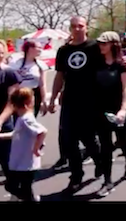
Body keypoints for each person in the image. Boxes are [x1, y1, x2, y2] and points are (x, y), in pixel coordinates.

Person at [48, 16, 103, 194]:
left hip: (91, 101)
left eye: (80, 26)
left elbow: (107, 67)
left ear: (86, 27)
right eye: (74, 26)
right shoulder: (64, 50)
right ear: (70, 29)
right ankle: (76, 177)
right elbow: (59, 75)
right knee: (69, 140)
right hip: (70, 101)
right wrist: (53, 98)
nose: (77, 29)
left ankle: (99, 161)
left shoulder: (95, 47)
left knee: (89, 139)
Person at [94, 31, 126, 196]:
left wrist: (123, 109)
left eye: (105, 43)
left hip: (119, 109)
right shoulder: (96, 62)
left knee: (122, 140)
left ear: (113, 45)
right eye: (100, 43)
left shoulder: (121, 64)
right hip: (101, 110)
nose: (101, 46)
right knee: (105, 145)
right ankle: (107, 181)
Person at [0, 88, 47, 202]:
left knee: (13, 186)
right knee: (20, 188)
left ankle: (29, 199)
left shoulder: (26, 119)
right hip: (21, 163)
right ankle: (29, 198)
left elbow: (42, 131)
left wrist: (36, 148)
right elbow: (15, 134)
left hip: (26, 164)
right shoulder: (22, 119)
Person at [0, 40, 20, 201]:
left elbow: (12, 102)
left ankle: (17, 193)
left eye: (0, 52)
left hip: (4, 124)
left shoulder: (9, 73)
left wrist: (0, 120)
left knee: (8, 163)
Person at [10, 40, 48, 117]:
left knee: (30, 118)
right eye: (38, 47)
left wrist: (44, 101)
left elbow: (42, 84)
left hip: (34, 95)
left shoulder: (41, 65)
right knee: (18, 119)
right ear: (30, 49)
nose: (40, 50)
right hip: (19, 94)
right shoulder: (16, 63)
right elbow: (11, 82)